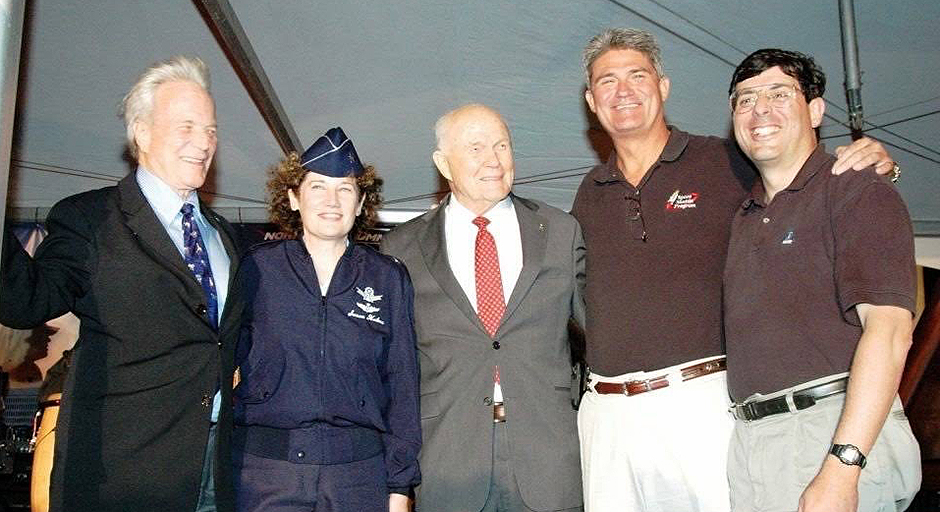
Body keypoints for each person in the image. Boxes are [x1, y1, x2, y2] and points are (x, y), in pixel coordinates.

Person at [571, 28, 898, 512]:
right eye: (607, 81)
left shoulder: (727, 160)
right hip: (607, 416)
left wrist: (877, 165)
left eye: (637, 76)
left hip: (701, 403)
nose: (623, 91)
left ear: (663, 86)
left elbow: (802, 178)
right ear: (591, 102)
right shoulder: (588, 192)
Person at [0, 55, 239, 512]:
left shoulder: (223, 236)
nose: (204, 142)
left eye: (210, 129)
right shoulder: (90, 219)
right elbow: (26, 299)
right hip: (121, 479)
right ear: (142, 133)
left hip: (213, 477)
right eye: (186, 126)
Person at [723, 48, 920, 512]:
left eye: (778, 93)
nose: (760, 110)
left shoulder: (856, 188)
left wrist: (842, 466)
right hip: (754, 442)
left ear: (815, 109)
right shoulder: (745, 215)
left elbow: (890, 333)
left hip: (829, 434)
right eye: (745, 99)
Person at [382, 104, 585, 512]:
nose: (494, 160)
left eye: (502, 146)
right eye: (476, 148)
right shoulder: (401, 248)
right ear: (443, 163)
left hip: (548, 458)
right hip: (448, 461)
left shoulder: (561, 230)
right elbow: (392, 372)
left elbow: (602, 336)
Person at [231, 127, 421, 512]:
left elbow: (403, 385)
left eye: (345, 189)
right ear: (293, 198)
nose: (331, 200)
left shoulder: (387, 277)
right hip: (266, 473)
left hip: (358, 477)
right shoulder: (256, 269)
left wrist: (400, 487)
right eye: (317, 187)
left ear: (361, 202)